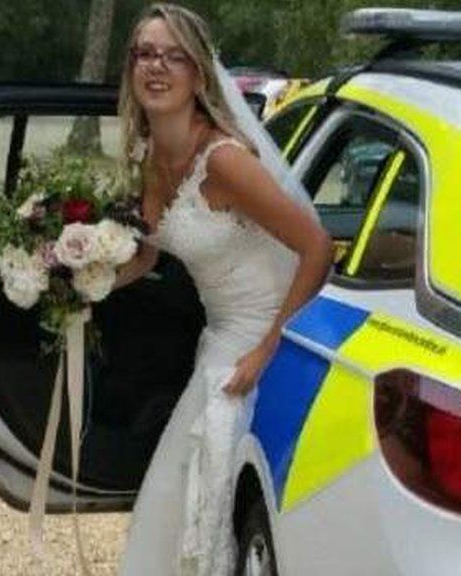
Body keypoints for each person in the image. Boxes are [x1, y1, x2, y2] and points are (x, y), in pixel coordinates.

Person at [111, 4, 334, 575]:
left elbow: (317, 249)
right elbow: (148, 253)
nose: (156, 67)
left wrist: (268, 349)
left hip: (258, 346)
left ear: (199, 73)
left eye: (173, 55)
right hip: (216, 342)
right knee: (181, 503)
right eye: (144, 53)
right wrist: (80, 278)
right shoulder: (145, 156)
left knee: (209, 508)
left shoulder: (225, 162)